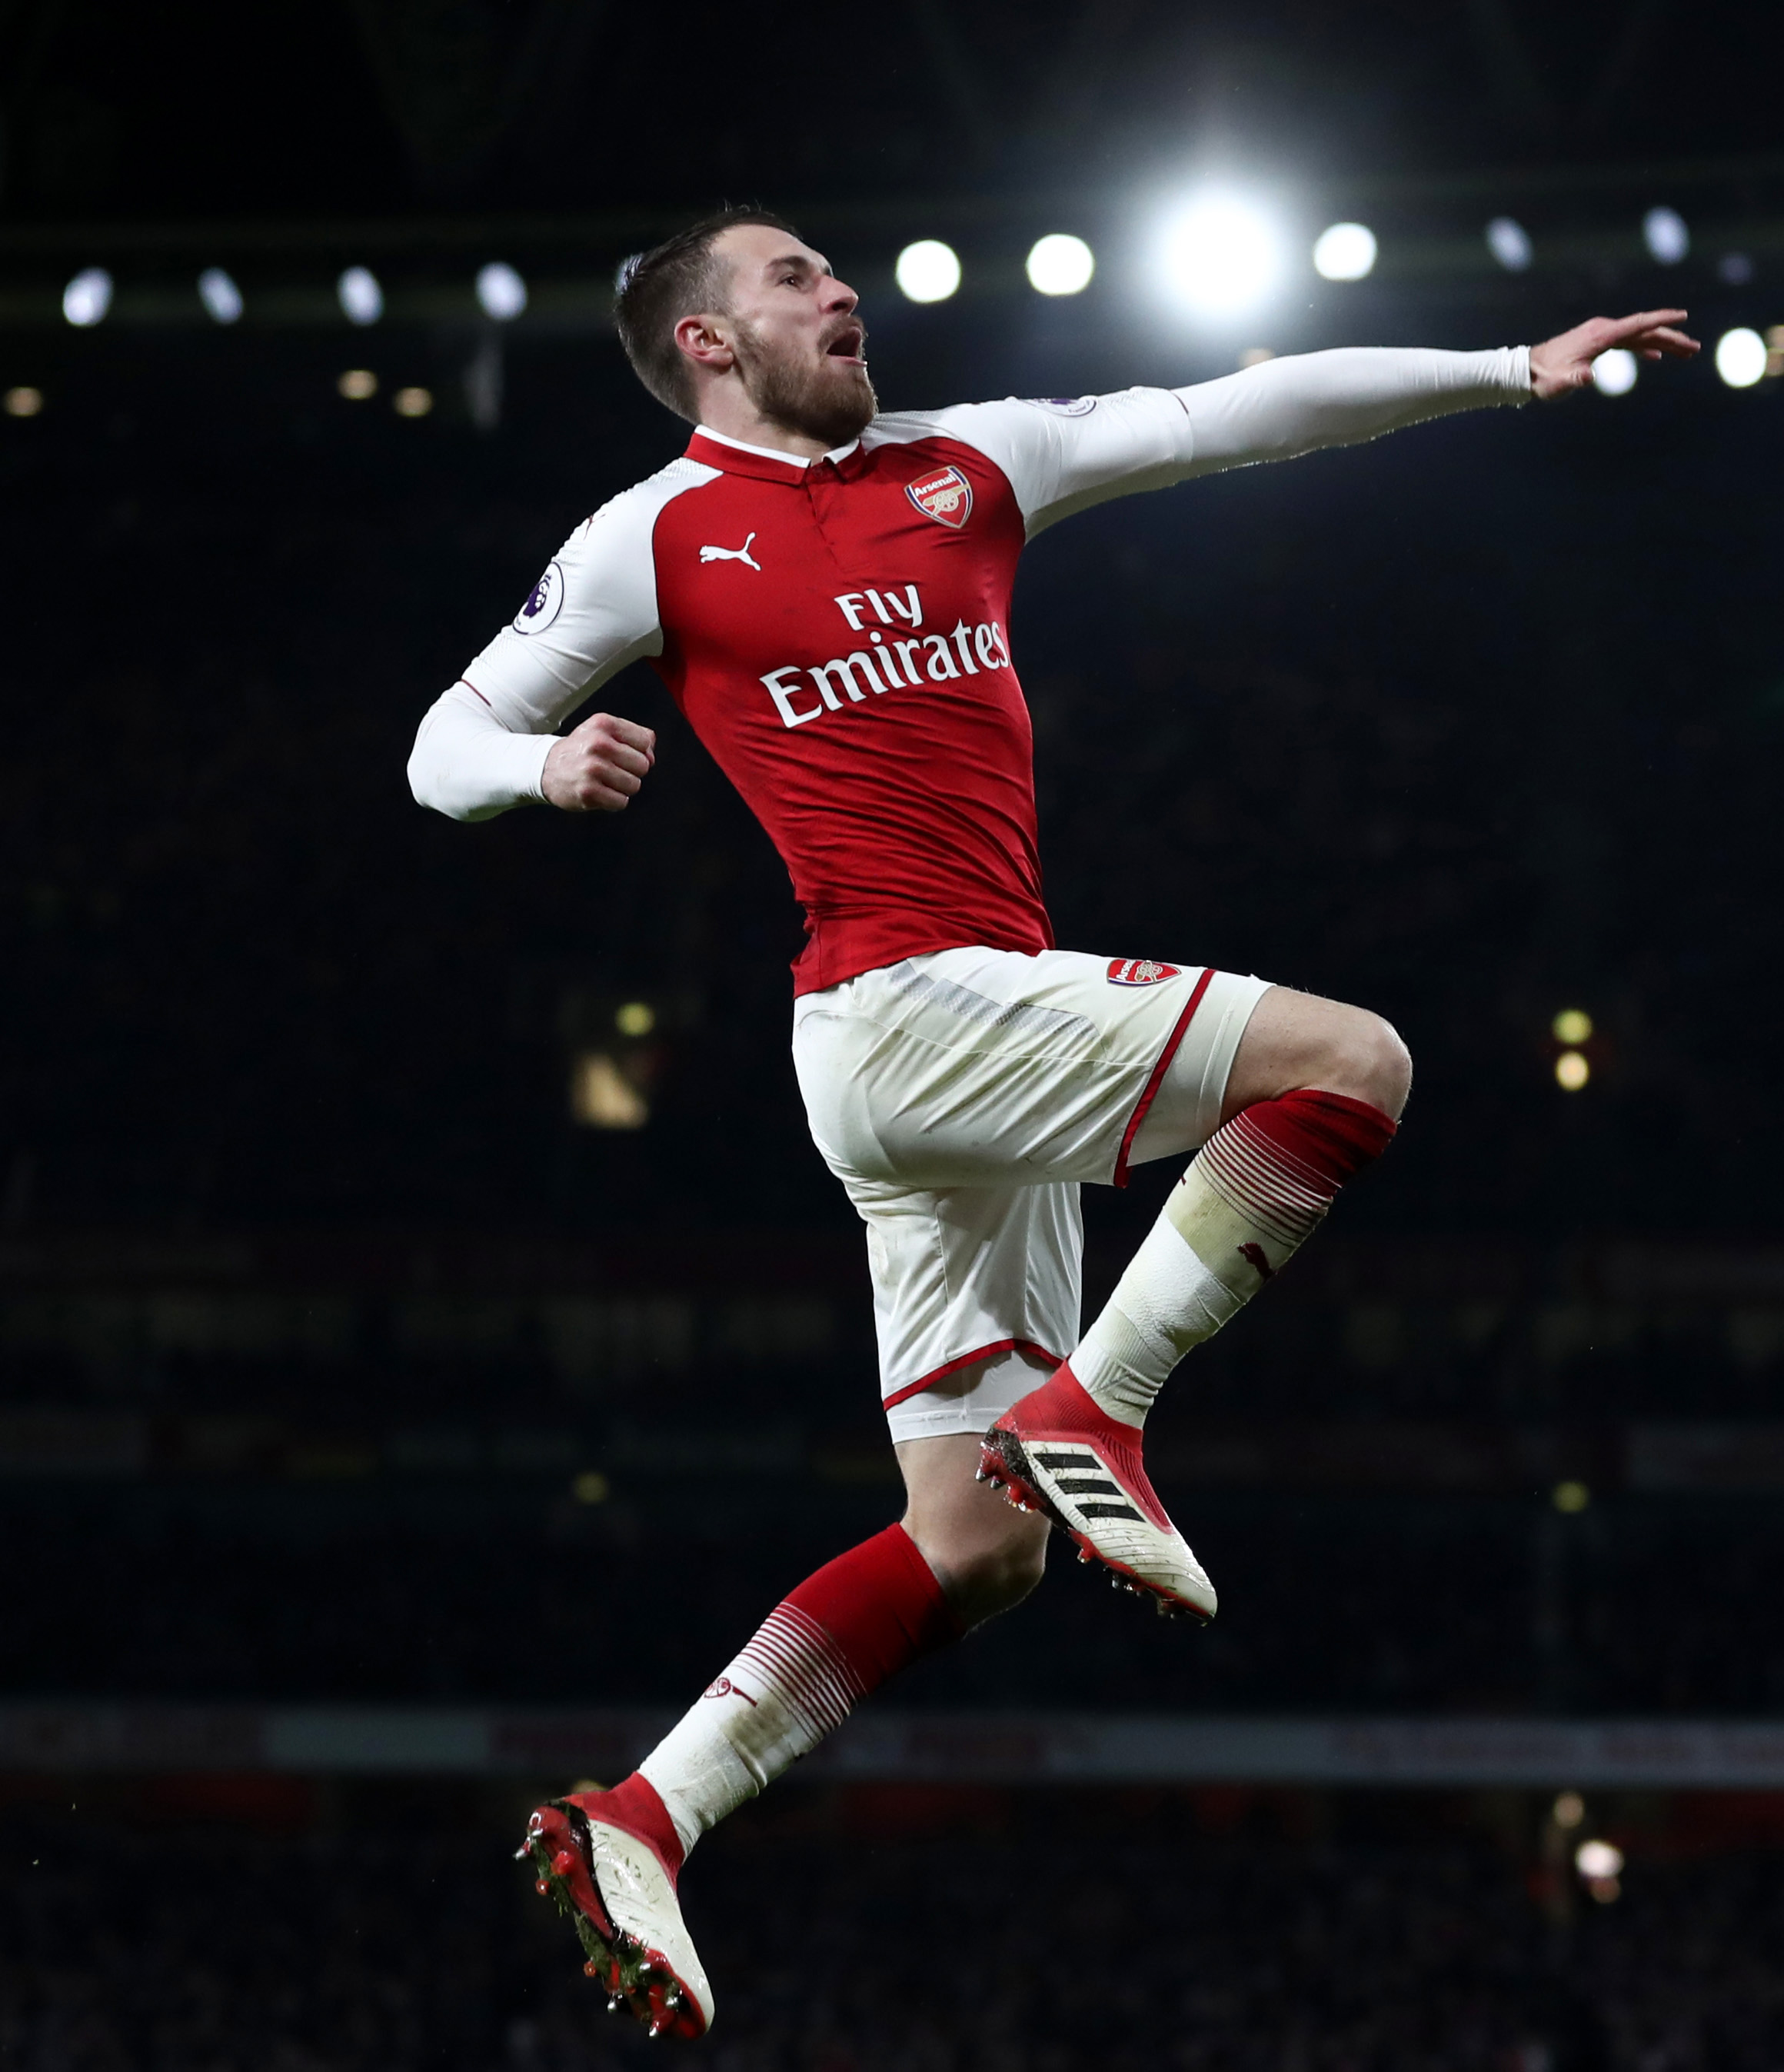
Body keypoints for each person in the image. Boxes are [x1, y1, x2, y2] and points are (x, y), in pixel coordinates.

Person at [406, 205, 1695, 2040]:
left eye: (827, 267)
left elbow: (1240, 412)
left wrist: (1508, 369)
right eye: (788, 278)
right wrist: (539, 763)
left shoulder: (971, 459)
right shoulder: (651, 539)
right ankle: (1107, 1406)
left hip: (959, 1061)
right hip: (901, 1008)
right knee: (1357, 1062)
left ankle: (647, 1813)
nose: (836, 287)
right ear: (703, 342)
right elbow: (438, 738)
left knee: (979, 1544)